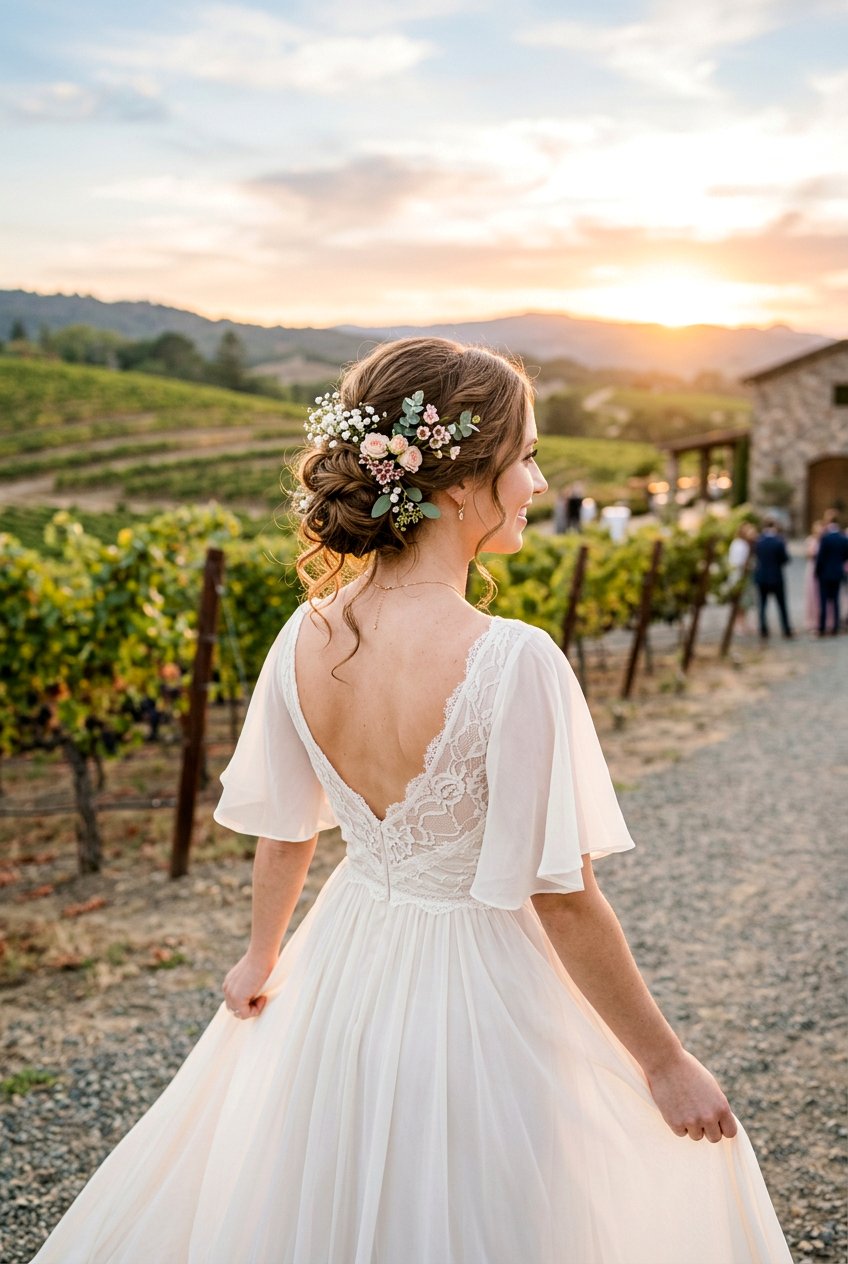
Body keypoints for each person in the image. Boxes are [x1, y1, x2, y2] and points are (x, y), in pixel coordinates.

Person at [29, 338, 793, 1263]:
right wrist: (663, 1062)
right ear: (462, 485)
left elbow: (285, 832)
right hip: (480, 988)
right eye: (526, 458)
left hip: (343, 967)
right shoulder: (515, 659)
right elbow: (561, 894)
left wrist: (261, 956)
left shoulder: (306, 634)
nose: (539, 483)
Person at [753, 516, 794, 639]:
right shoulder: (779, 541)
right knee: (781, 605)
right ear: (774, 526)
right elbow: (785, 559)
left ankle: (763, 629)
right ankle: (786, 629)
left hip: (762, 576)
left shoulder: (759, 541)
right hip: (776, 577)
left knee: (762, 605)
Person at [814, 507, 848, 636]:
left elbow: (820, 557)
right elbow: (846, 555)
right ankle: (835, 627)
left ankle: (822, 628)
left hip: (824, 573)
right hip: (837, 572)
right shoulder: (842, 537)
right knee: (835, 601)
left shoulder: (825, 537)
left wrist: (817, 572)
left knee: (823, 601)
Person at [727, 520, 756, 634]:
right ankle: (739, 625)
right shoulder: (740, 544)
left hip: (740, 576)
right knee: (740, 602)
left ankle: (742, 624)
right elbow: (739, 562)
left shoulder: (740, 543)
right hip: (739, 576)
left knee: (744, 602)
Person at [803, 519, 824, 634]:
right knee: (812, 595)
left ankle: (823, 620)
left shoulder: (825, 541)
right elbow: (808, 555)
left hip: (822, 570)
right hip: (812, 569)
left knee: (821, 596)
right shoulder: (811, 540)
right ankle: (812, 621)